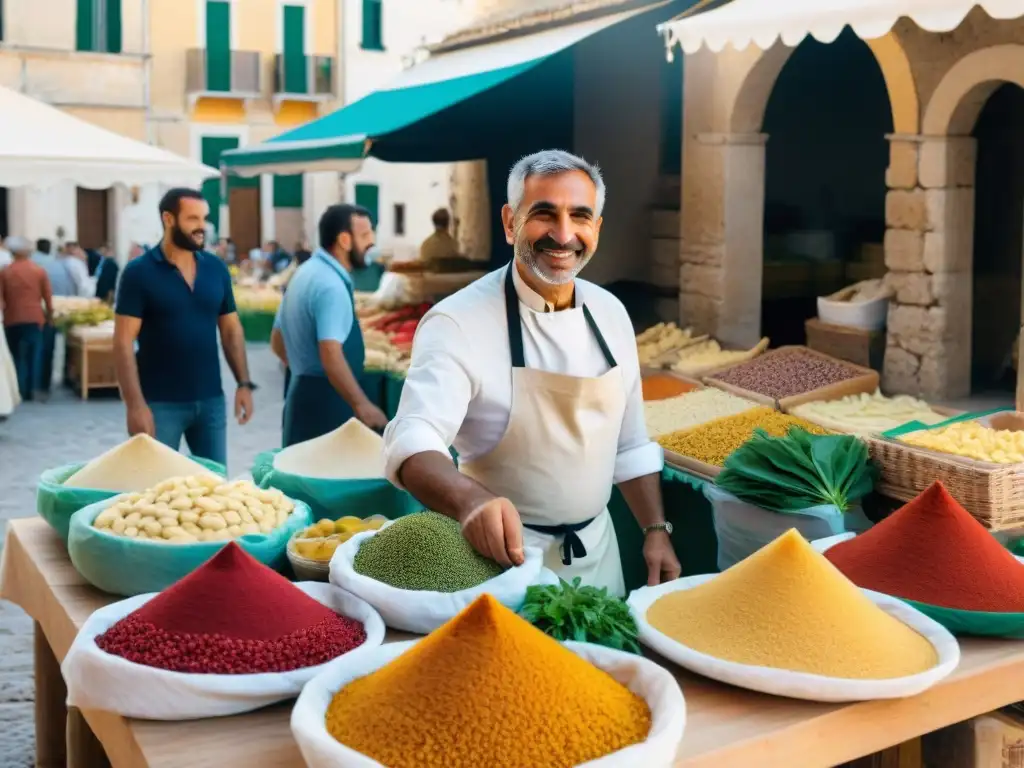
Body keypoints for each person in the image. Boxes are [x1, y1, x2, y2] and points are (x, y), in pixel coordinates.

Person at [382, 150, 681, 597]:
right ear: (509, 222)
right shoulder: (458, 322)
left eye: (580, 216)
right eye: (544, 214)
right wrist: (470, 502)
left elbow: (631, 443)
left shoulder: (611, 313)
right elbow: (413, 439)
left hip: (599, 556)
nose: (563, 234)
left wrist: (656, 529)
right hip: (502, 565)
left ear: (595, 228)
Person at [113, 188, 255, 467]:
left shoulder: (216, 269)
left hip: (211, 402)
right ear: (168, 219)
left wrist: (244, 383)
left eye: (204, 218)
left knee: (214, 490)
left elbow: (231, 330)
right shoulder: (138, 273)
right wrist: (135, 405)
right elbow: (122, 343)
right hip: (159, 405)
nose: (201, 226)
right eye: (192, 218)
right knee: (155, 491)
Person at [274, 204, 387, 447]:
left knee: (300, 478)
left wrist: (303, 366)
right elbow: (330, 353)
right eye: (366, 235)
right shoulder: (330, 286)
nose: (372, 242)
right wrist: (362, 404)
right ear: (345, 240)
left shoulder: (305, 273)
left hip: (301, 398)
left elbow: (277, 340)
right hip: (328, 407)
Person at [0, 236, 52, 402]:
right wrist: (50, 315)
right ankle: (31, 389)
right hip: (34, 317)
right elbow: (47, 297)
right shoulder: (39, 271)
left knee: (16, 355)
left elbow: (1, 299)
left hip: (12, 318)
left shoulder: (5, 272)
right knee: (33, 354)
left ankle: (19, 389)